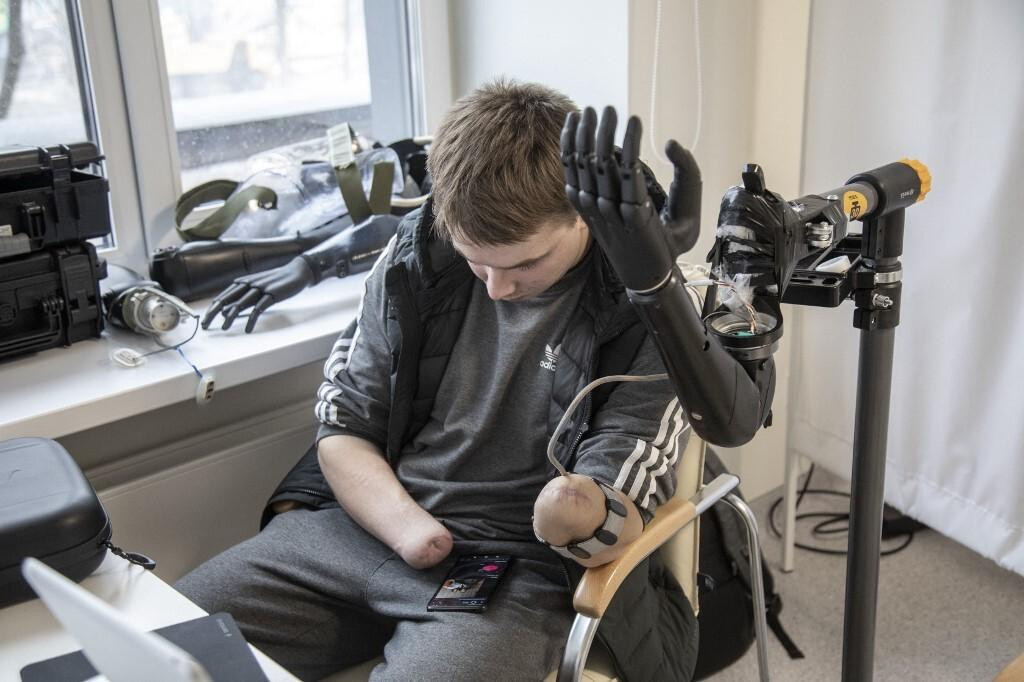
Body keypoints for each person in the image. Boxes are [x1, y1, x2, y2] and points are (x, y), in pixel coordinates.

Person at [175, 79, 696, 682]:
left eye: (526, 263)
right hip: (366, 524)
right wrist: (408, 530)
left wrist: (577, 512)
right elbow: (345, 426)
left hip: (517, 570)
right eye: (476, 260)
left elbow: (622, 505)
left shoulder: (650, 304)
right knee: (164, 644)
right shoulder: (415, 253)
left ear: (582, 212)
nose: (497, 288)